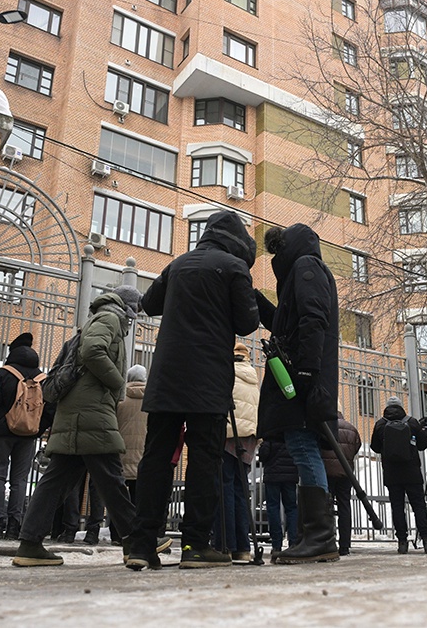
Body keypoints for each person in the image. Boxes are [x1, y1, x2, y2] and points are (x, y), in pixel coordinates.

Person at [126, 211, 259, 571]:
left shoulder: (179, 263)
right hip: (208, 380)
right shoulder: (233, 267)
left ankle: (140, 544)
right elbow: (247, 322)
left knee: (157, 458)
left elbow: (149, 305)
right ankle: (196, 546)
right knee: (205, 460)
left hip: (167, 376)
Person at [13, 286, 169, 566]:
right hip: (91, 410)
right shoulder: (110, 317)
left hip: (78, 410)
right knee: (111, 476)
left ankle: (29, 543)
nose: (134, 319)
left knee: (59, 481)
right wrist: (116, 383)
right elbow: (93, 350)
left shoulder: (99, 317)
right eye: (135, 313)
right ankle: (136, 541)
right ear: (128, 307)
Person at [255, 224, 341, 565]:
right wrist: (260, 303)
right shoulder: (301, 272)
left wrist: (306, 370)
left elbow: (312, 319)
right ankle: (313, 536)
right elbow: (287, 323)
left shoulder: (306, 267)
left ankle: (319, 537)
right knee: (302, 448)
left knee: (304, 448)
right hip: (301, 375)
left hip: (304, 377)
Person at [0, 332, 53, 540]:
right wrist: (36, 427)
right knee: (20, 479)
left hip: (1, 433)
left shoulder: (3, 374)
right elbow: (50, 409)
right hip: (28, 435)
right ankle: (14, 526)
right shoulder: (42, 378)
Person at [371, 396, 427, 555]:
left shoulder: (380, 424)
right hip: (412, 471)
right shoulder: (412, 422)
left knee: (397, 506)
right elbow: (423, 445)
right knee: (418, 505)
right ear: (401, 407)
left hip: (391, 472)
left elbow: (375, 447)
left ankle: (402, 542)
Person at [212, 341, 259, 561]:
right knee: (241, 490)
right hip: (248, 439)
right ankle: (243, 547)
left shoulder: (227, 372)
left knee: (225, 489)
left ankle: (225, 544)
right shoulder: (254, 377)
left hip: (228, 436)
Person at [114, 363, 149, 546]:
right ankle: (136, 532)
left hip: (120, 451)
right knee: (138, 496)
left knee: (118, 494)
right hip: (142, 453)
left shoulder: (120, 397)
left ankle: (116, 532)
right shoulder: (150, 399)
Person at [321, 411, 362, 556]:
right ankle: (345, 545)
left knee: (326, 507)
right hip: (345, 473)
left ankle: (328, 541)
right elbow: (357, 447)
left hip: (327, 473)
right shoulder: (351, 429)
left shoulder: (324, 426)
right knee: (345, 506)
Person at [258, 438, 299, 561]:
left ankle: (276, 545)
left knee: (273, 508)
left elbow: (263, 455)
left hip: (272, 475)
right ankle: (293, 543)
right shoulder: (291, 433)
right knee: (291, 508)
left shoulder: (271, 433)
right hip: (290, 475)